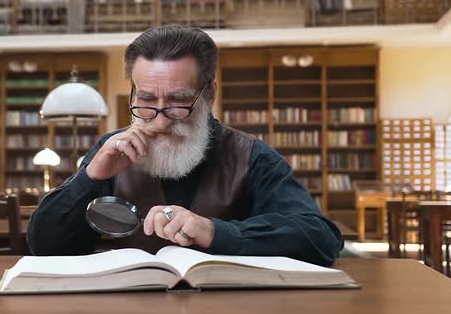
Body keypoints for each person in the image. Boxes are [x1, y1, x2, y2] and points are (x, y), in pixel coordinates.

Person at [28, 25, 343, 266]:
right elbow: (44, 246)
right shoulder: (110, 150)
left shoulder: (251, 155)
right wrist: (90, 178)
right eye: (147, 101)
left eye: (178, 102)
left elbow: (321, 239)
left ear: (209, 94)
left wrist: (214, 231)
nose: (160, 121)